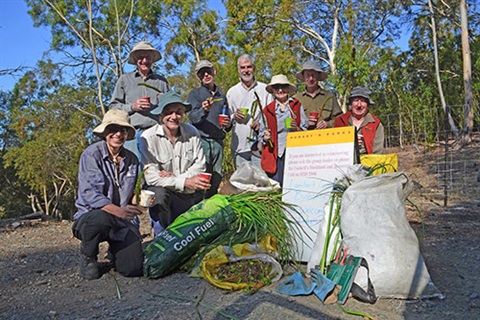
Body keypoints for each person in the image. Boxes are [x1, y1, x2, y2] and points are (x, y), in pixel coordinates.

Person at [72, 109, 143, 280]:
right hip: (92, 218)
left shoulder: (132, 159)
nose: (118, 134)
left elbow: (132, 193)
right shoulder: (91, 154)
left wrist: (139, 199)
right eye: (113, 129)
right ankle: (88, 255)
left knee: (133, 268)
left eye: (123, 130)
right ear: (105, 132)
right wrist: (119, 211)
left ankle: (115, 251)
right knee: (100, 218)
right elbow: (90, 194)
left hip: (121, 222)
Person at [139, 91, 209, 236]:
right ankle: (159, 234)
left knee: (184, 231)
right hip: (162, 191)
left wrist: (179, 179)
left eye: (178, 112)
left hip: (185, 192)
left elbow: (200, 165)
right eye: (168, 112)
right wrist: (185, 181)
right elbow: (151, 177)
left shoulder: (192, 132)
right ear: (160, 115)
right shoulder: (148, 137)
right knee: (158, 193)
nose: (174, 117)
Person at [110, 41, 170, 160]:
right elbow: (113, 107)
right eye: (140, 57)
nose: (144, 61)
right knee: (133, 170)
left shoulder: (162, 82)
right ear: (135, 60)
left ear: (153, 59)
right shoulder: (124, 80)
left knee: (156, 170)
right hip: (131, 135)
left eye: (148, 57)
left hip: (156, 133)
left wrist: (163, 102)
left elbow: (171, 109)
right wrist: (132, 107)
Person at [187, 60, 231, 198]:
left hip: (218, 142)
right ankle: (198, 207)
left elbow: (227, 123)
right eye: (202, 73)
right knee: (201, 177)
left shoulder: (222, 97)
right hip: (202, 141)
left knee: (216, 177)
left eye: (208, 71)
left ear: (214, 72)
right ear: (198, 77)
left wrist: (228, 124)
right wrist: (204, 110)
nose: (206, 75)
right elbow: (193, 118)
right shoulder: (195, 95)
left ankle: (210, 205)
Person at [261, 75, 308, 186]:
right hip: (274, 154)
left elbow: (305, 130)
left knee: (292, 185)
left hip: (293, 154)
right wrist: (265, 138)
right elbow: (261, 135)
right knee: (276, 187)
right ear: (272, 90)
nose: (280, 90)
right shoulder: (268, 110)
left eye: (283, 87)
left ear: (288, 89)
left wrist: (296, 128)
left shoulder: (296, 106)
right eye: (277, 87)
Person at [226, 54, 272, 168]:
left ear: (254, 68)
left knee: (261, 182)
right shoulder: (232, 92)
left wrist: (260, 124)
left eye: (249, 67)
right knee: (242, 183)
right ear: (238, 70)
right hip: (240, 146)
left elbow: (271, 115)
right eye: (243, 67)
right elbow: (226, 119)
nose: (246, 70)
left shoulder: (264, 90)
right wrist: (234, 117)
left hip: (260, 146)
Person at [334, 86, 384, 154]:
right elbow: (334, 148)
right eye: (356, 100)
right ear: (351, 103)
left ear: (368, 104)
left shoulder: (376, 124)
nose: (359, 105)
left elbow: (378, 153)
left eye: (363, 101)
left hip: (368, 162)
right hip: (344, 161)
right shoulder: (339, 122)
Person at [294, 61, 342, 130]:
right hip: (303, 139)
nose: (311, 79)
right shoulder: (296, 99)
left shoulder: (329, 97)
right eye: (308, 75)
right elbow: (290, 123)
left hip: (326, 138)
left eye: (313, 75)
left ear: (318, 77)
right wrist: (305, 123)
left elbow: (341, 119)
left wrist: (328, 124)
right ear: (304, 77)